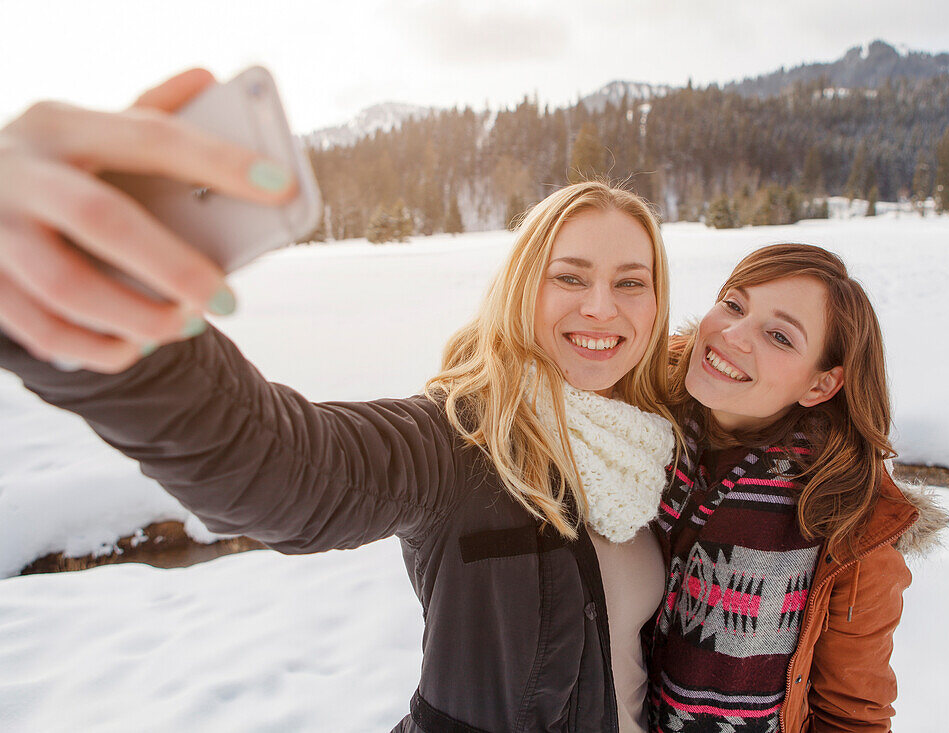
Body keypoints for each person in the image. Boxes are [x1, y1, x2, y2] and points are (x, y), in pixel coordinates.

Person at [0, 70, 680, 732]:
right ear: (522, 288)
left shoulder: (661, 440)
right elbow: (284, 470)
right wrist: (90, 307)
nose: (602, 308)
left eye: (630, 282)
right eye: (570, 276)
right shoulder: (458, 443)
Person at [646, 244, 949, 733]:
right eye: (734, 304)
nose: (732, 335)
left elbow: (851, 718)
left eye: (779, 336)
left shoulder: (847, 519)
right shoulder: (628, 410)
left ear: (821, 385)